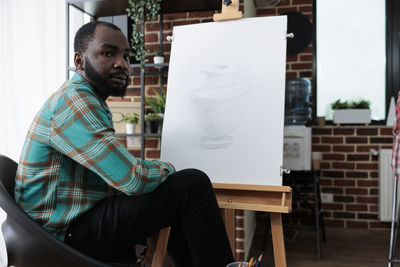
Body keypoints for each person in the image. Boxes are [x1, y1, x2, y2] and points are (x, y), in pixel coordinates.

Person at [15, 21, 234, 267]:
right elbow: (132, 179)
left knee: (177, 197)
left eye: (126, 56)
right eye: (108, 53)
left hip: (67, 224)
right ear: (79, 61)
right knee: (192, 184)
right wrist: (169, 169)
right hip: (57, 236)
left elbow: (117, 179)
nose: (122, 63)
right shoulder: (75, 101)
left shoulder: (87, 98)